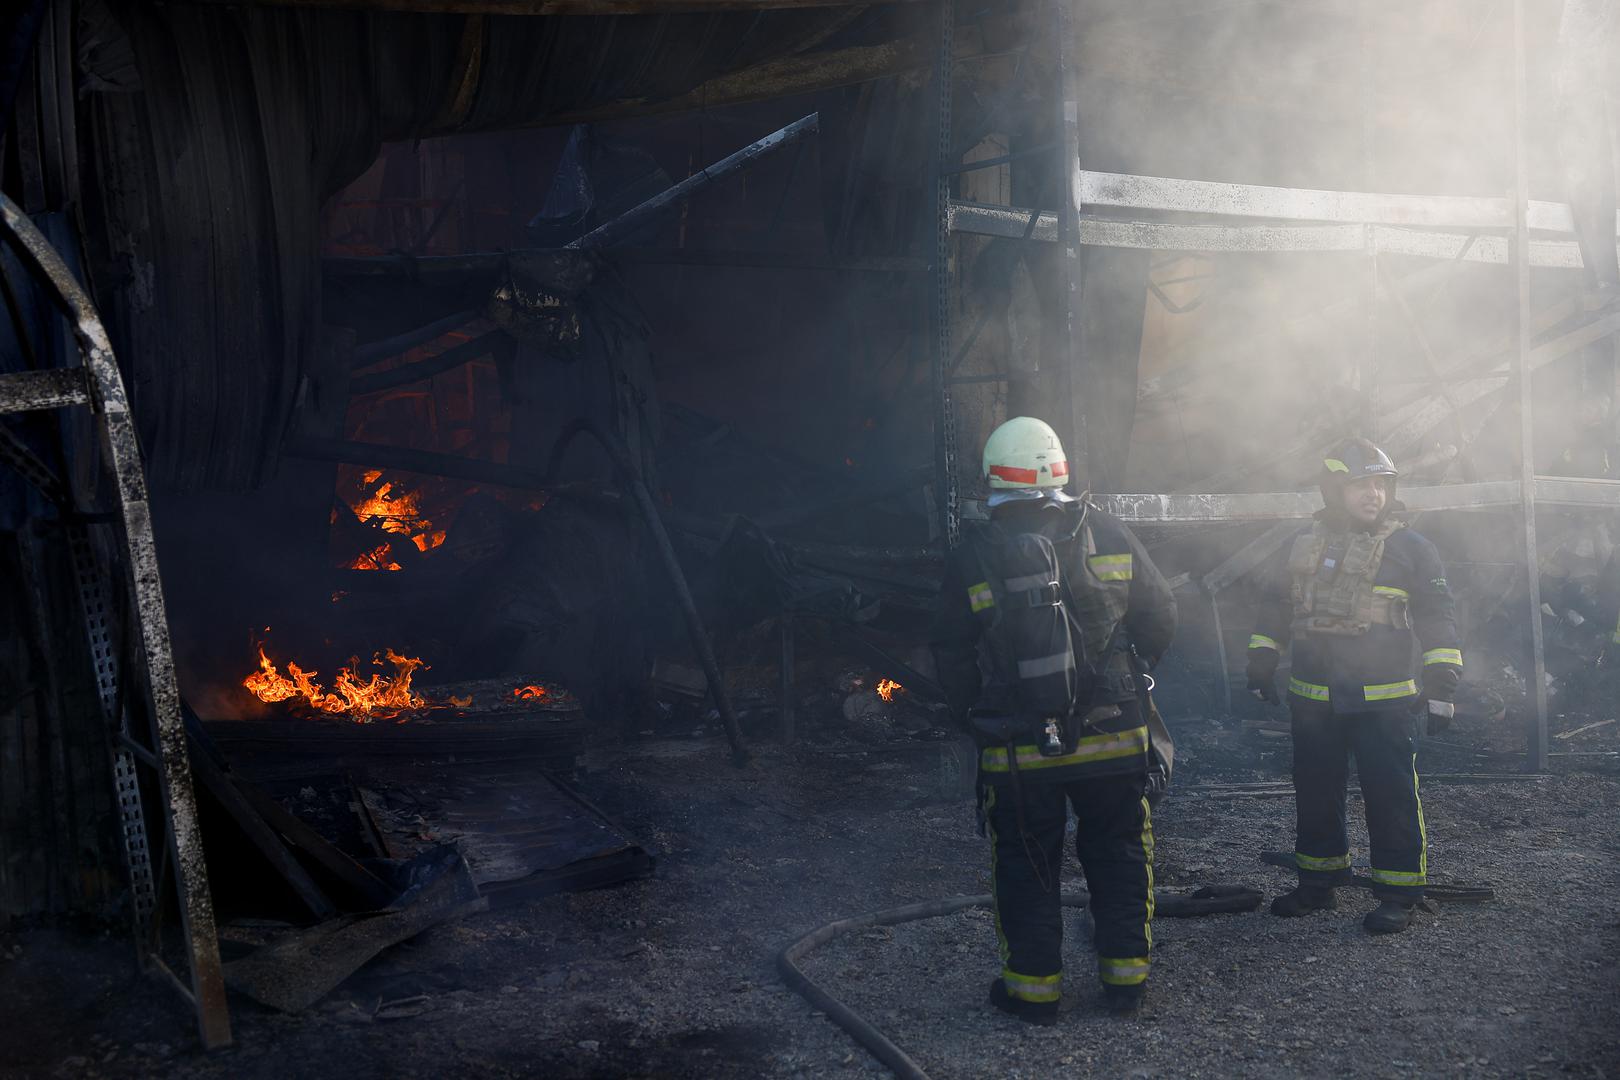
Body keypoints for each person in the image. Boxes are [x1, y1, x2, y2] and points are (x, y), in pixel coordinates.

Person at [930, 416, 1177, 1023]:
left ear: (994, 479)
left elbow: (950, 652)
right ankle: (1125, 984)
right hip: (1114, 733)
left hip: (1017, 749)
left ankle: (1033, 993)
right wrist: (1131, 674)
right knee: (1119, 849)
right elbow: (1162, 613)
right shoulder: (1111, 533)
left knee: (1025, 862)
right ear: (1060, 473)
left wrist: (972, 715)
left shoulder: (972, 557)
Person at [1244, 438, 1462, 934]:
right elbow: (1277, 607)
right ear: (1334, 488)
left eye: (1381, 486)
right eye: (1361, 485)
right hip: (1313, 698)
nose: (1374, 495)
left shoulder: (1412, 549)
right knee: (1315, 792)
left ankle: (1398, 893)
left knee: (1391, 795)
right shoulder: (1304, 544)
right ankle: (1318, 884)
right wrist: (1262, 659)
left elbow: (1438, 617)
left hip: (1384, 701)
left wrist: (1442, 682)